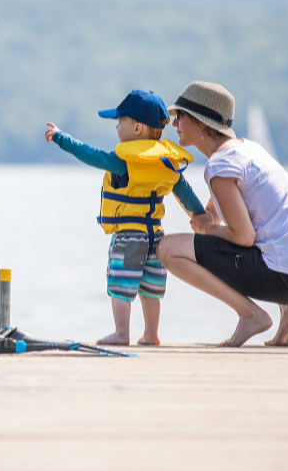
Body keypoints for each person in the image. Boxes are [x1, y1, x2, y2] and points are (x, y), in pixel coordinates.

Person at [157, 81, 288, 347]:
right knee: (266, 236)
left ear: (202, 124)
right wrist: (173, 184)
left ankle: (250, 315)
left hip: (287, 279)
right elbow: (212, 217)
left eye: (180, 116)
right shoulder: (247, 150)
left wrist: (207, 229)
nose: (174, 123)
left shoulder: (220, 165)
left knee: (167, 249)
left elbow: (242, 236)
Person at [45, 89, 205, 346]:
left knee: (120, 286)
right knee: (150, 289)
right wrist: (201, 216)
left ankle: (122, 333)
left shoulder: (124, 161)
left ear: (138, 128)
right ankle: (151, 334)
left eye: (120, 122)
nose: (117, 127)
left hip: (128, 236)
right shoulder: (167, 162)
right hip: (156, 237)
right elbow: (186, 194)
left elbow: (90, 154)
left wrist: (61, 138)